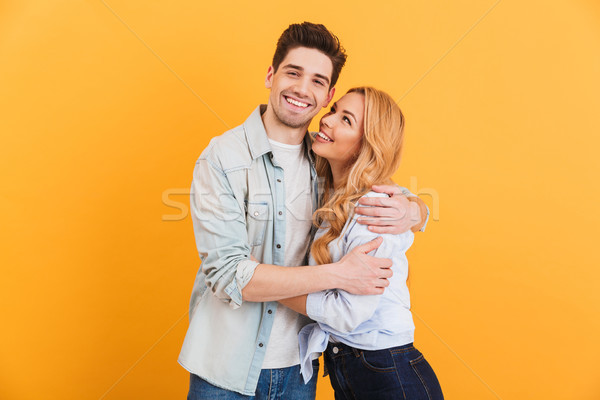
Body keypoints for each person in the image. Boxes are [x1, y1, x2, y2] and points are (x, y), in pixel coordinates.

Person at [178, 23, 429, 399]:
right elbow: (230, 275)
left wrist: (415, 211)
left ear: (327, 95)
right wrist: (339, 275)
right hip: (225, 370)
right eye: (293, 73)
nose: (301, 89)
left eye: (316, 81)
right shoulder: (223, 158)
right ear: (270, 75)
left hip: (300, 368)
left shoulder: (327, 157)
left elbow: (377, 184)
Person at [279, 87, 444, 399]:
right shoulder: (334, 191)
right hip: (355, 366)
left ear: (365, 145)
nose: (326, 121)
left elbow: (347, 313)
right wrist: (416, 209)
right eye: (334, 110)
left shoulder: (374, 208)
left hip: (387, 371)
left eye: (346, 120)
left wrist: (271, 289)